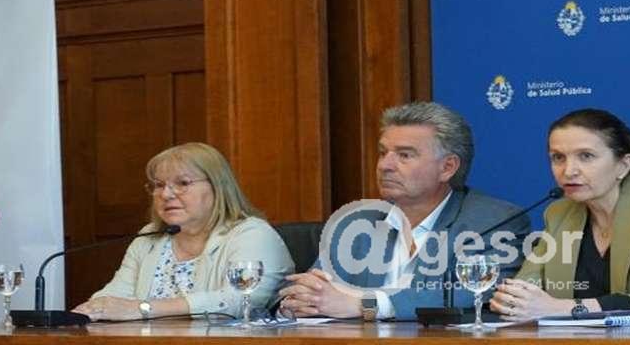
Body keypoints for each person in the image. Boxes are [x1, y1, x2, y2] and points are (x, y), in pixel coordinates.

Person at [277, 101, 531, 321]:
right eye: (383, 153)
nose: (385, 165)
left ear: (447, 167)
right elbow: (313, 292)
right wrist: (300, 301)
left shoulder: (493, 221)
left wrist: (365, 305)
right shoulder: (357, 222)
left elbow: (476, 292)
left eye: (405, 155)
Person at [490, 108, 630, 319]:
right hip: (582, 343)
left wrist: (564, 308)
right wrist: (512, 300)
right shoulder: (559, 213)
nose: (569, 171)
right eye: (558, 157)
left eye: (586, 156)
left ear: (623, 165)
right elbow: (523, 288)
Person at [74, 142, 293, 321]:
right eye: (159, 185)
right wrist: (92, 310)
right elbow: (114, 296)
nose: (166, 194)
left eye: (182, 183)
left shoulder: (252, 234)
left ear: (217, 187)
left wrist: (143, 308)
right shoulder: (149, 237)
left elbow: (240, 302)